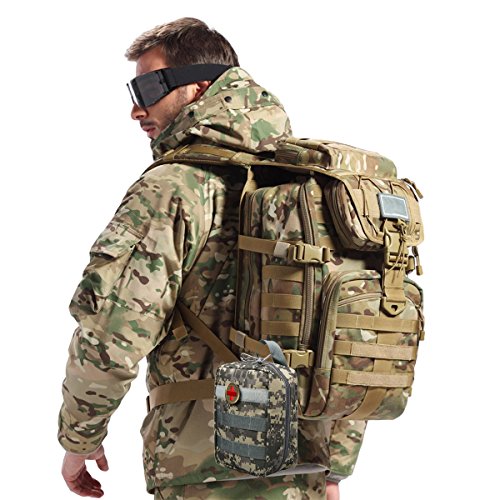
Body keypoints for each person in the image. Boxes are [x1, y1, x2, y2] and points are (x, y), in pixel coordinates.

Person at [58, 17, 367, 499]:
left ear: (199, 87)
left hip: (203, 468)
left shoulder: (172, 187)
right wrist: (334, 468)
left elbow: (113, 331)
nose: (137, 109)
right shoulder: (312, 187)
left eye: (148, 88)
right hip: (303, 464)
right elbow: (353, 332)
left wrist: (79, 437)